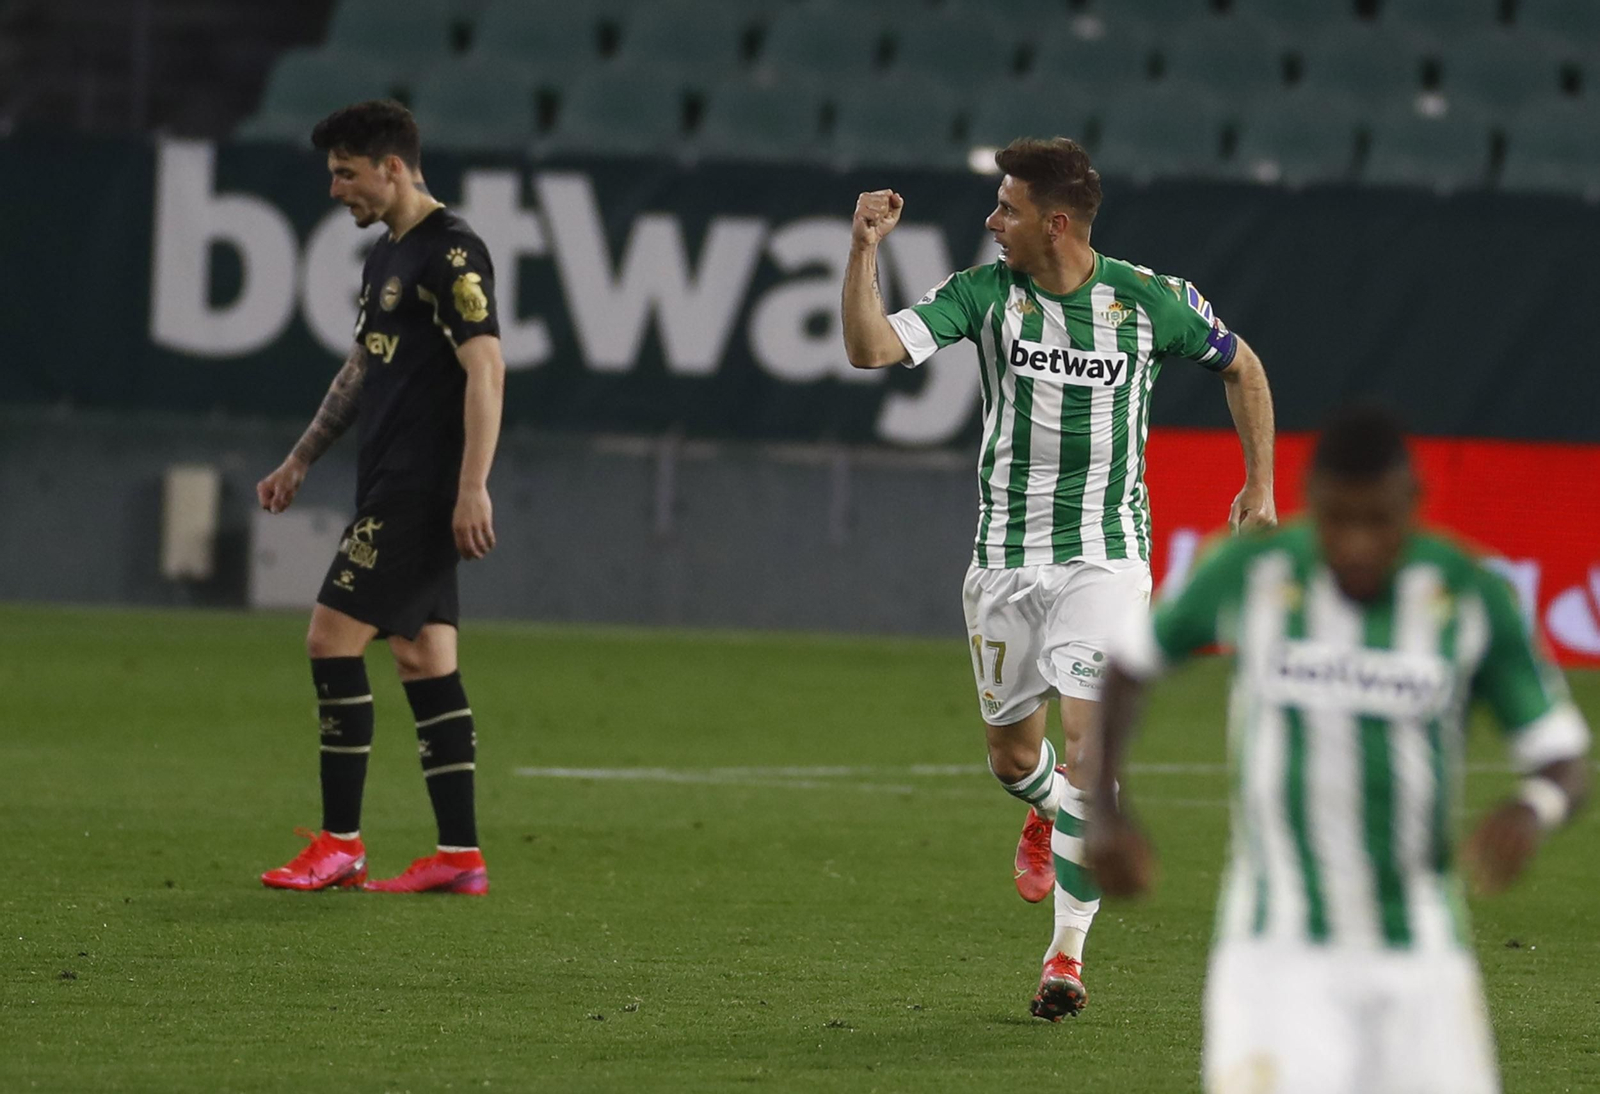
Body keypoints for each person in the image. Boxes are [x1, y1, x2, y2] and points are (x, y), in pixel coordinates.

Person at [841, 136, 1277, 1018]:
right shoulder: (984, 295)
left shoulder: (1148, 301)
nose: (991, 222)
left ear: (1057, 223)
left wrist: (1260, 484)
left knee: (1090, 747)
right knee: (1012, 759)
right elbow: (871, 350)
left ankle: (1065, 960)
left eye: (1006, 209)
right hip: (1004, 561)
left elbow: (1244, 366)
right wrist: (864, 250)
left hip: (1106, 556)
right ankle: (1047, 809)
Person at [1087, 404, 1591, 1093]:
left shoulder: (1469, 595)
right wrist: (1106, 812)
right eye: (1336, 520)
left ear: (1412, 504)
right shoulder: (1253, 572)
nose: (1355, 543)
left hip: (1421, 961)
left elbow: (1562, 758)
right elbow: (1130, 661)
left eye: (1377, 521)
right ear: (1309, 505)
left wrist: (1533, 807)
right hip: (1276, 957)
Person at [255, 99, 507, 896]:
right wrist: (299, 460)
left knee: (330, 640)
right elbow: (361, 371)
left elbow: (488, 368)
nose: (336, 190)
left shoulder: (453, 254)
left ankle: (339, 843)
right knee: (423, 656)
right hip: (394, 479)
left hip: (421, 489)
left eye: (346, 173)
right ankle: (459, 855)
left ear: (392, 167)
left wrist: (471, 486)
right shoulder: (386, 259)